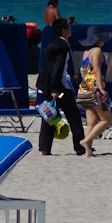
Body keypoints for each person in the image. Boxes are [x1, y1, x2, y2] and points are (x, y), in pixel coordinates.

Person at [35, 23, 86, 156]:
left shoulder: (53, 45)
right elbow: (57, 69)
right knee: (73, 116)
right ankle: (80, 147)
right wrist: (54, 88)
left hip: (49, 85)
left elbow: (48, 67)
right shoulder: (63, 46)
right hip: (59, 86)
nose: (71, 30)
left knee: (50, 116)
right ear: (64, 30)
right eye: (69, 28)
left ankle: (44, 149)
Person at [78, 34, 112, 153]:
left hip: (84, 90)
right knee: (106, 120)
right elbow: (97, 70)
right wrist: (101, 88)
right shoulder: (97, 51)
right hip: (94, 90)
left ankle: (88, 151)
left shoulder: (86, 52)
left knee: (91, 123)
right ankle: (86, 141)